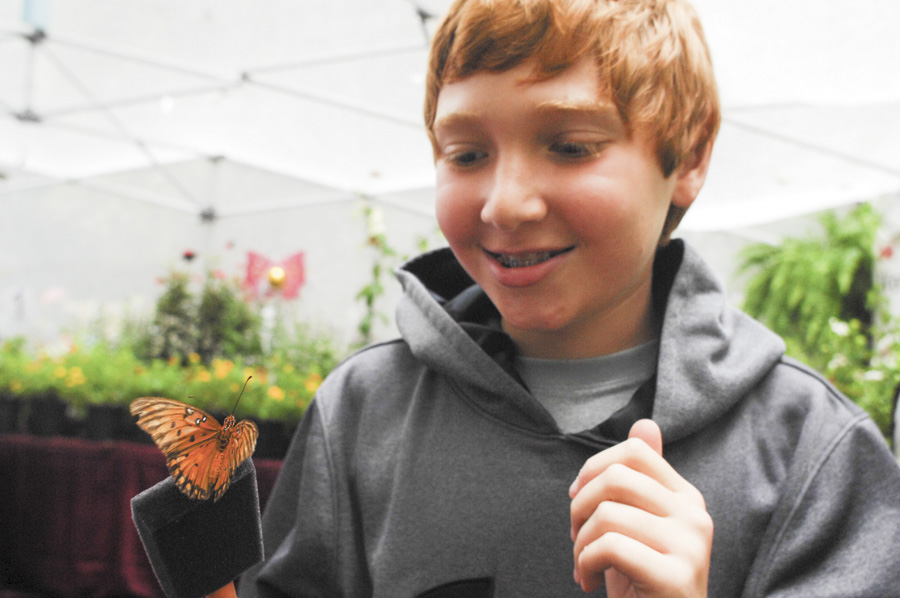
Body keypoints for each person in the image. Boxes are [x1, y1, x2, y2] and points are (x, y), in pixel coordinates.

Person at [240, 0, 900, 595]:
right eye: (466, 155)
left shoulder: (812, 452)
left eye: (570, 147)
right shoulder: (361, 414)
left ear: (691, 154)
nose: (506, 204)